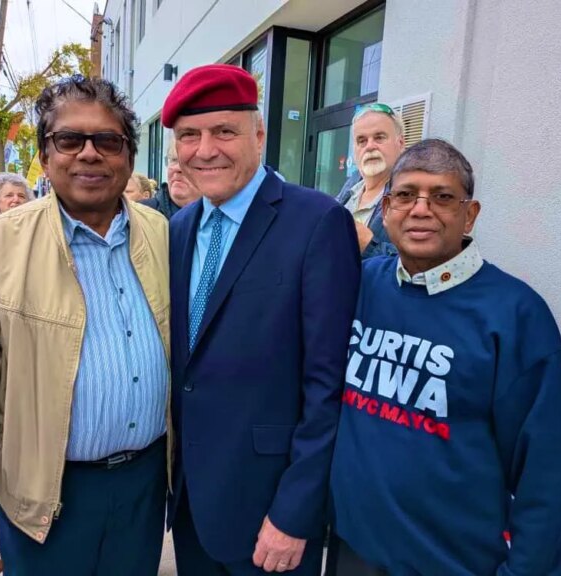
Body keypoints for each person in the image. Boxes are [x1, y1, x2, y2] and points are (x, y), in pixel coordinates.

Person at [0, 75, 171, 576]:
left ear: (128, 157)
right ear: (45, 153)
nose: (89, 153)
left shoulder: (161, 233)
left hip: (145, 488)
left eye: (108, 140)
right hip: (47, 500)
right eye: (69, 139)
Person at [327, 139, 561, 576]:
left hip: (452, 564)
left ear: (470, 214)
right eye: (406, 195)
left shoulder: (515, 315)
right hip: (351, 551)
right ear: (386, 208)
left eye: (442, 197)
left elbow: (547, 477)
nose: (420, 209)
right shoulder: (360, 284)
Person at [163, 64, 361, 575]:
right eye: (189, 135)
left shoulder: (318, 222)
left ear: (258, 135)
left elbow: (329, 385)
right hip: (192, 506)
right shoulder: (178, 229)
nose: (205, 150)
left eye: (223, 131)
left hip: (270, 512)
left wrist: (295, 512)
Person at [335, 103, 405, 258]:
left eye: (379, 137)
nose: (370, 146)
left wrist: (368, 245)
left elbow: (421, 265)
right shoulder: (352, 187)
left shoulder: (413, 197)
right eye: (362, 140)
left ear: (400, 144)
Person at [141, 137, 202, 219]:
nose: (177, 168)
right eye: (174, 160)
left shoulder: (217, 219)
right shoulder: (140, 215)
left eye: (189, 162)